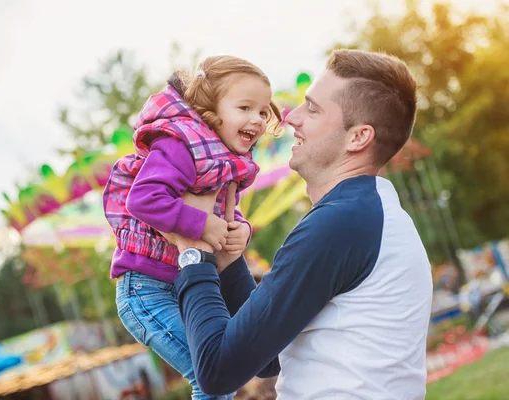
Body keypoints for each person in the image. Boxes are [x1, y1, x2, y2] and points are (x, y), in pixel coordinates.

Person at [172, 49, 434, 399]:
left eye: (312, 108)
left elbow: (217, 372)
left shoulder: (340, 223)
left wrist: (192, 252)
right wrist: (229, 260)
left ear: (358, 137)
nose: (290, 118)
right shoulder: (366, 213)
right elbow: (266, 357)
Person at [102, 55, 282, 399]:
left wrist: (238, 228)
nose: (256, 120)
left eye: (263, 111)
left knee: (236, 368)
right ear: (212, 108)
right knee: (214, 377)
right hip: (147, 289)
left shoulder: (222, 157)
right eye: (244, 108)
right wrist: (201, 225)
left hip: (189, 282)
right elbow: (143, 199)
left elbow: (216, 208)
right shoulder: (179, 143)